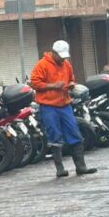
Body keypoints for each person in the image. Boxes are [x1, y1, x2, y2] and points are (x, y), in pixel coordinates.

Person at [30, 41, 97, 178]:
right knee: (55, 135)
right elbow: (35, 83)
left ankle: (81, 167)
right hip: (48, 106)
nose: (63, 59)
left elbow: (71, 78)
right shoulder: (42, 65)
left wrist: (71, 84)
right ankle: (60, 169)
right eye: (60, 56)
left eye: (64, 56)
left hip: (65, 105)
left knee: (74, 132)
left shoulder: (66, 64)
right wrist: (53, 86)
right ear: (53, 53)